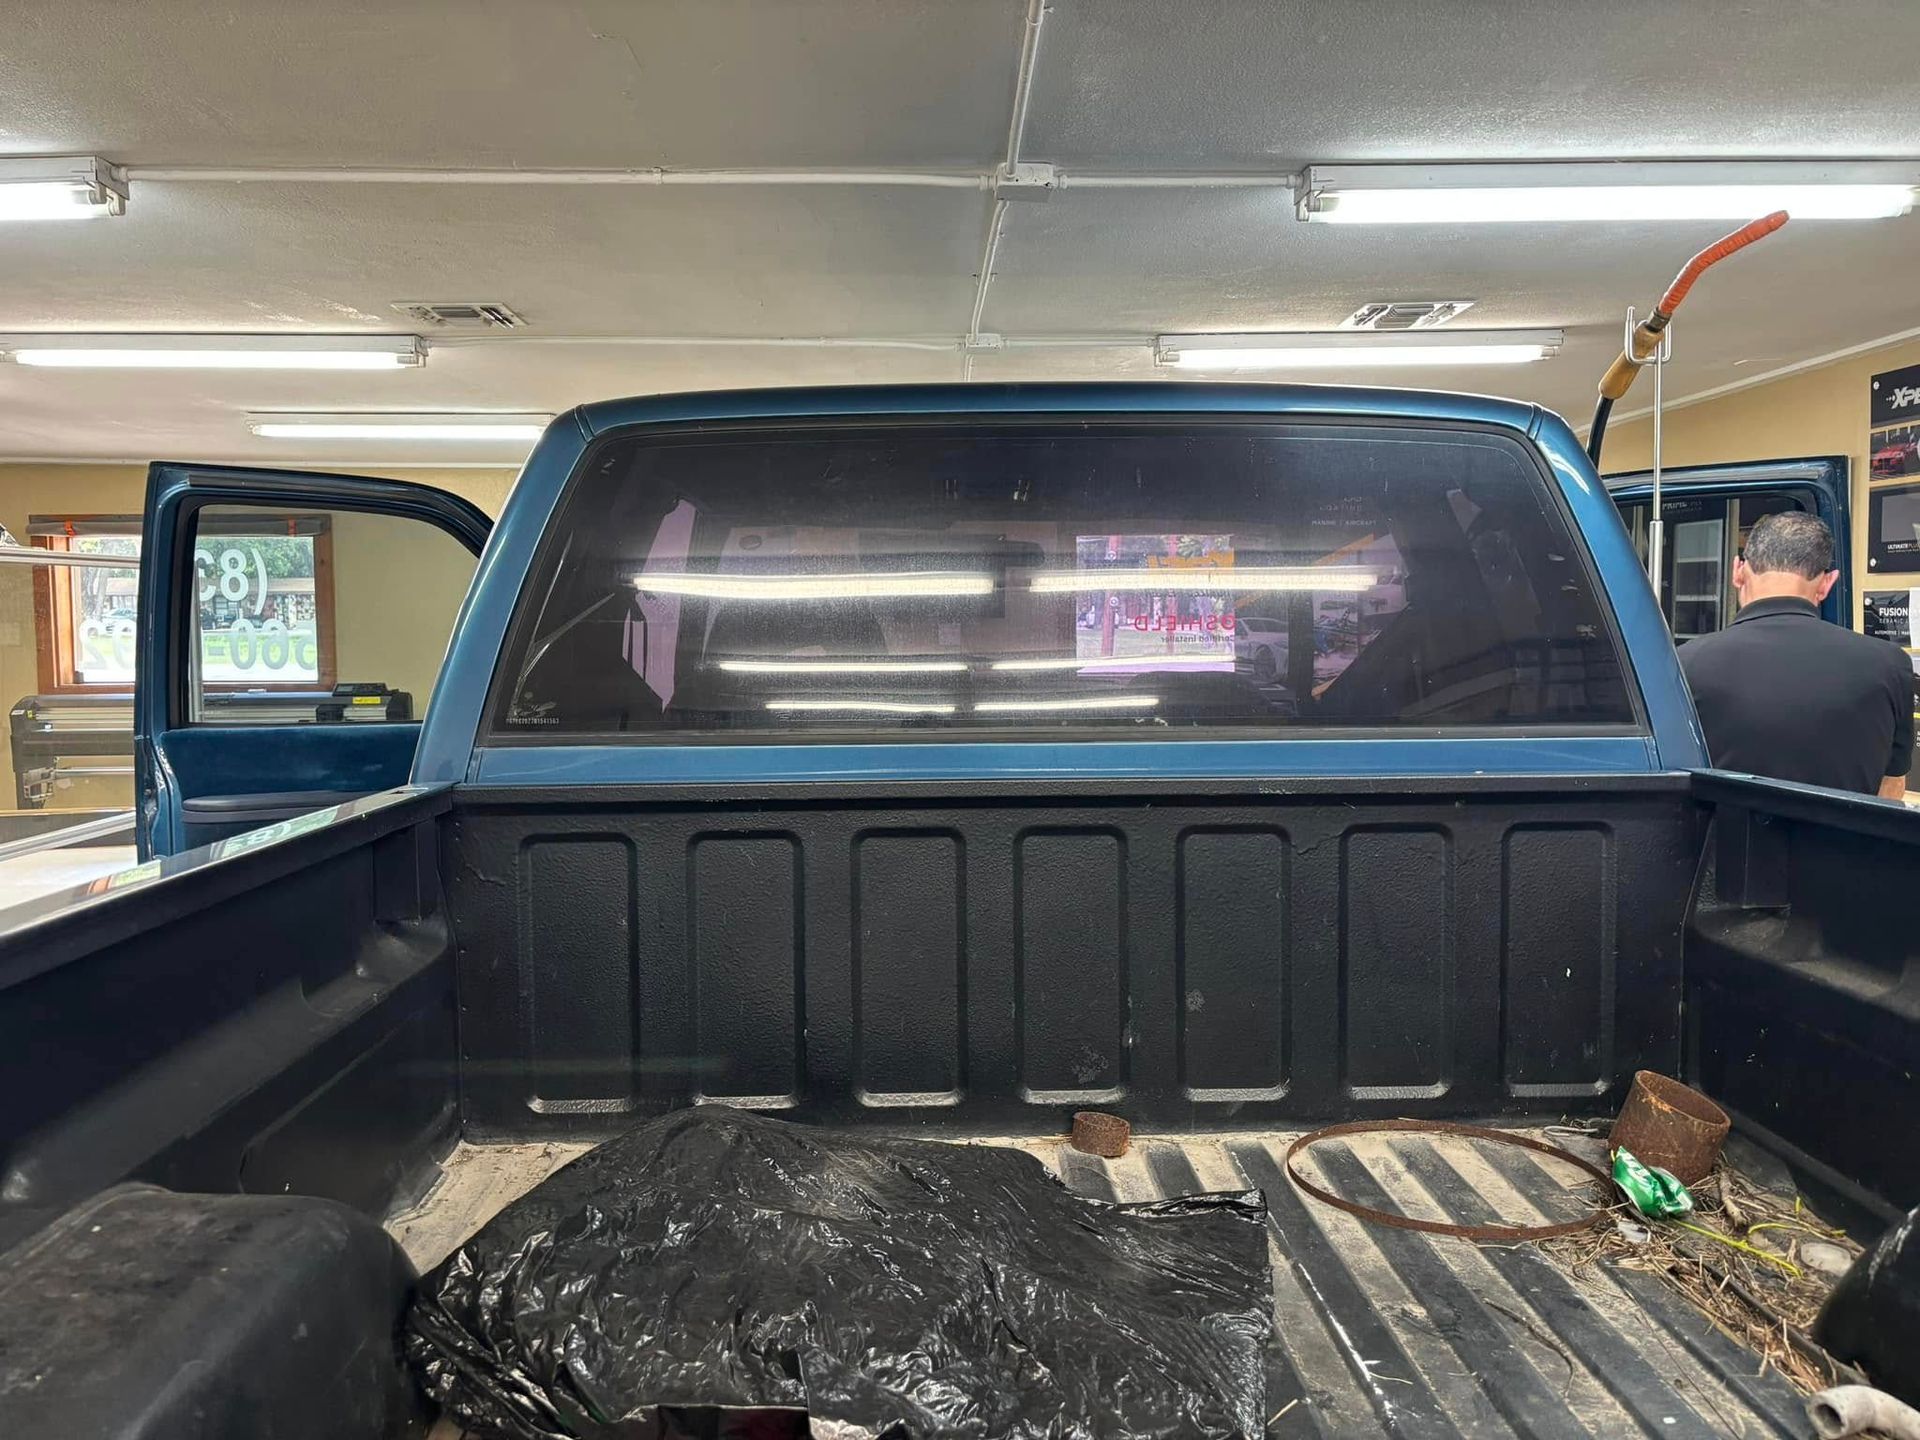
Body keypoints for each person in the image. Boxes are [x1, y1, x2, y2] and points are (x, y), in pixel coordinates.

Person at [1679, 511, 1912, 798]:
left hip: (1729, 843)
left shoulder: (1685, 663)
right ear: (1827, 583)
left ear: (1738, 571)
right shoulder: (1890, 665)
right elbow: (1891, 789)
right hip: (1843, 844)